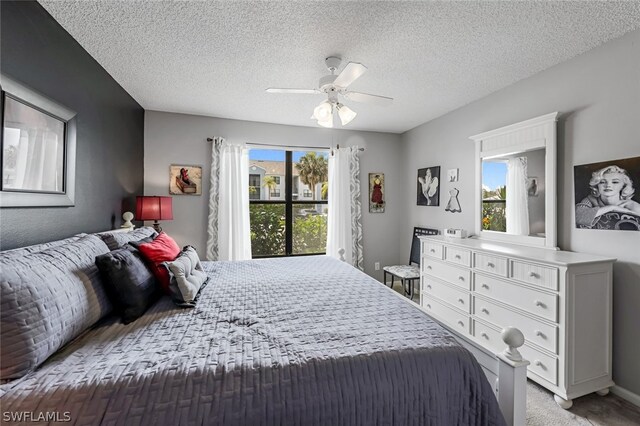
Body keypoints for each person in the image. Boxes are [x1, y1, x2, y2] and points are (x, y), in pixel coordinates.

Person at [575, 165, 640, 228]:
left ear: (623, 186)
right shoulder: (590, 200)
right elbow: (577, 217)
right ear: (597, 185)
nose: (608, 185)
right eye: (602, 182)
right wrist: (612, 207)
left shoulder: (632, 206)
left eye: (615, 182)